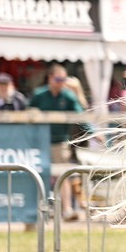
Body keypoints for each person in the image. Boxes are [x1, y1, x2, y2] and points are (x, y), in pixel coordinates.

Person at [29, 64, 88, 219]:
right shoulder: (39, 95)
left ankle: (67, 209)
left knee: (63, 174)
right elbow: (28, 113)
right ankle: (42, 208)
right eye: (58, 79)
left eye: (63, 79)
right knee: (40, 174)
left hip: (60, 141)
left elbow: (80, 116)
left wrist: (94, 132)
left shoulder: (68, 96)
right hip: (39, 142)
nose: (61, 82)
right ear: (50, 78)